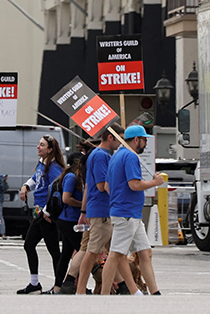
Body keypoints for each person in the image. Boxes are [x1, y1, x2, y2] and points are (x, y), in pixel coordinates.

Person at [100, 124, 166, 296]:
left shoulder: (117, 155)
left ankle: (155, 292)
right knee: (115, 255)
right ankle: (103, 296)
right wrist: (154, 183)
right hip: (127, 214)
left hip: (129, 213)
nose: (145, 144)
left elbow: (107, 186)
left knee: (145, 252)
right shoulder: (130, 156)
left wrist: (119, 197)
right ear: (137, 140)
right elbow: (134, 184)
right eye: (144, 140)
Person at [76, 125, 133, 295]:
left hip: (102, 210)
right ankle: (80, 290)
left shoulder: (101, 155)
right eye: (120, 138)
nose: (122, 142)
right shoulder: (101, 156)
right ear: (110, 138)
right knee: (92, 252)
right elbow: (102, 186)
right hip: (102, 210)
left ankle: (124, 288)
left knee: (117, 253)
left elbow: (90, 185)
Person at [16, 135, 65, 294]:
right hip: (39, 211)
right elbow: (36, 179)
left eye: (42, 145)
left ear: (50, 149)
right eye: (39, 144)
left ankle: (60, 285)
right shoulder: (43, 164)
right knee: (29, 245)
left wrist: (48, 212)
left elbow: (58, 189)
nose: (38, 147)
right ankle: (35, 283)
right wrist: (25, 186)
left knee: (53, 250)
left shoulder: (54, 167)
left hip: (46, 214)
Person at [51, 152, 83, 293]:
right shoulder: (71, 177)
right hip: (68, 221)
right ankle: (77, 285)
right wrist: (83, 205)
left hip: (70, 220)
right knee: (84, 253)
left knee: (66, 255)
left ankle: (59, 287)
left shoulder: (74, 176)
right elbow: (66, 199)